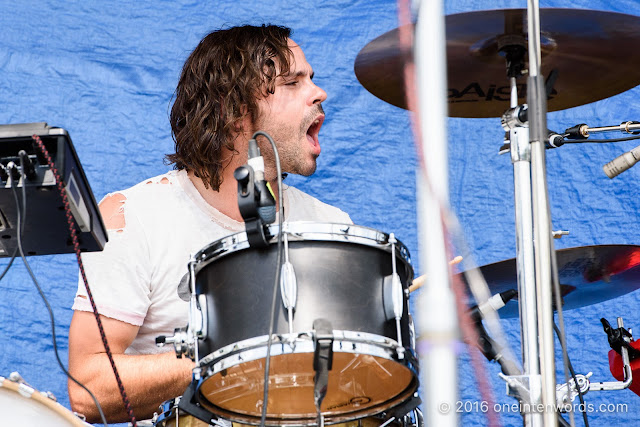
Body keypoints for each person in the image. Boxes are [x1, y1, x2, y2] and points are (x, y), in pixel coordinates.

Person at [67, 24, 351, 423]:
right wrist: (228, 352)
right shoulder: (132, 217)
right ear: (233, 111)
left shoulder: (331, 228)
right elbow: (88, 389)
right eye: (292, 82)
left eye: (312, 79)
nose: (319, 93)